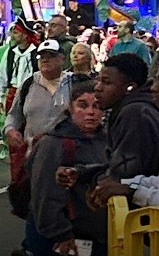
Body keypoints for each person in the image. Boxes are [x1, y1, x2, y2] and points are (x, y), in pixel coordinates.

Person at [25, 81, 107, 256]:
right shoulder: (54, 143)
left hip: (96, 236)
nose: (91, 112)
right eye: (83, 105)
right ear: (70, 108)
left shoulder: (106, 139)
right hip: (62, 235)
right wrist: (60, 234)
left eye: (97, 106)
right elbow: (44, 195)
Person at [58, 54, 159, 209]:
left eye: (106, 82)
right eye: (98, 80)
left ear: (129, 87)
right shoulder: (133, 109)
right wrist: (84, 172)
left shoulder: (134, 113)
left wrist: (100, 183)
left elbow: (123, 175)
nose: (98, 87)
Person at [5, 39, 74, 256]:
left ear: (61, 59)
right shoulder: (29, 84)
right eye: (42, 56)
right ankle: (35, 246)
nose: (45, 60)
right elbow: (14, 114)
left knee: (61, 201)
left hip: (67, 153)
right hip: (34, 156)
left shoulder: (73, 83)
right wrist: (11, 130)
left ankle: (43, 245)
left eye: (51, 56)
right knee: (37, 201)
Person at [0, 20, 37, 122]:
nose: (12, 36)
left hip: (32, 94)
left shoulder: (36, 53)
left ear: (25, 35)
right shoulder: (10, 53)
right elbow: (1, 76)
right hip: (12, 95)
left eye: (16, 33)